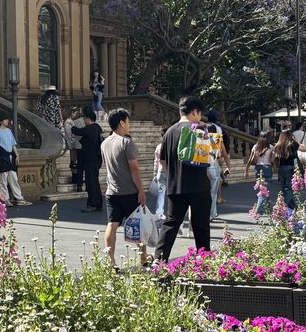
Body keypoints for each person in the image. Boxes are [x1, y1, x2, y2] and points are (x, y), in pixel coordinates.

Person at [154, 96, 212, 263]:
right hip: (198, 185)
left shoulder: (169, 132)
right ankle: (203, 260)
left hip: (175, 185)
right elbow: (207, 158)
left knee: (171, 223)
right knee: (200, 225)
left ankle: (159, 259)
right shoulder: (199, 130)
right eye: (199, 113)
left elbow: (163, 161)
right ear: (195, 111)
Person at [100, 109, 147, 267]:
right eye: (128, 122)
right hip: (129, 191)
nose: (129, 125)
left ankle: (110, 262)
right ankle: (143, 257)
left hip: (112, 191)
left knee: (112, 224)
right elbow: (134, 168)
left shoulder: (105, 143)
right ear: (121, 123)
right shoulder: (127, 142)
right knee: (137, 224)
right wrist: (141, 190)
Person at [0, 114, 31, 206]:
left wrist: (17, 155)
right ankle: (5, 199)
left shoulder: (8, 131)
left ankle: (19, 198)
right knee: (2, 180)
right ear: (1, 121)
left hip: (10, 157)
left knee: (14, 179)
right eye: (5, 119)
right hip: (1, 157)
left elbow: (13, 144)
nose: (7, 121)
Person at [71, 108, 104, 213]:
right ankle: (98, 203)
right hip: (96, 160)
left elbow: (77, 131)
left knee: (90, 183)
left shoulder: (90, 128)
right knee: (95, 182)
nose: (84, 121)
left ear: (88, 119)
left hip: (90, 160)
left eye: (85, 119)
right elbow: (84, 140)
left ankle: (92, 204)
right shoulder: (97, 129)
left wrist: (71, 126)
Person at [204, 109, 231, 220]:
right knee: (213, 192)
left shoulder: (202, 133)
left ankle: (207, 213)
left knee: (203, 192)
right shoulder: (217, 135)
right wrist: (229, 166)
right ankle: (212, 213)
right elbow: (224, 153)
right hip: (213, 164)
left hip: (201, 165)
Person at [248, 132, 276, 214]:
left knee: (263, 189)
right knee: (265, 190)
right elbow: (272, 160)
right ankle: (257, 209)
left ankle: (269, 209)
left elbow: (250, 159)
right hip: (267, 168)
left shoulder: (255, 146)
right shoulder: (271, 147)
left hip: (258, 168)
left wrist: (246, 170)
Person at [272, 128, 299, 209]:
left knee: (284, 187)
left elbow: (274, 159)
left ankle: (292, 206)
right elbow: (302, 148)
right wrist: (295, 139)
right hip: (291, 167)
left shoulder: (278, 145)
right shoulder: (293, 144)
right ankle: (285, 206)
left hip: (281, 168)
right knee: (289, 187)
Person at [63, 107, 84, 189]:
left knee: (75, 161)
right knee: (73, 161)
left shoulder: (72, 121)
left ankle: (75, 177)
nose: (75, 115)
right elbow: (69, 134)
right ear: (71, 112)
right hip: (72, 143)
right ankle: (74, 178)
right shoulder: (68, 122)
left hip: (75, 142)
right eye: (74, 113)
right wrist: (73, 141)